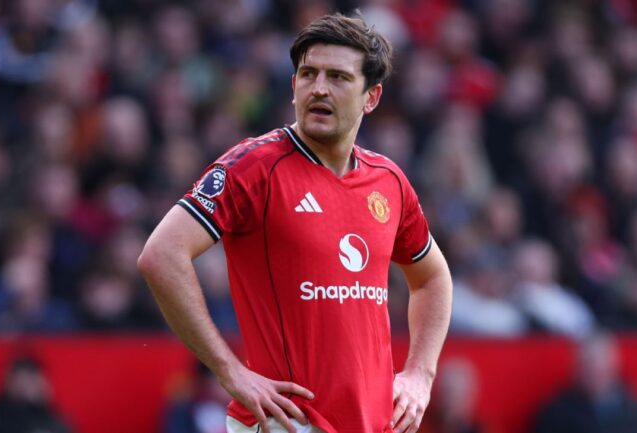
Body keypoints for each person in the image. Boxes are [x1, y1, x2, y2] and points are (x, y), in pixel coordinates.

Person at [138, 12, 452, 433]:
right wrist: (230, 371)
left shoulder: (388, 181)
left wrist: (420, 374)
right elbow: (161, 254)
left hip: (372, 423)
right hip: (287, 423)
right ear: (293, 86)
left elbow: (432, 278)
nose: (319, 88)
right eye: (308, 74)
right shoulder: (254, 167)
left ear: (371, 97)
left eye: (338, 77)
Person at [530, 333, 637, 433]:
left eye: (601, 369)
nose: (595, 376)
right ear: (577, 369)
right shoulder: (557, 412)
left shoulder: (635, 408)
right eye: (589, 368)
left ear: (613, 368)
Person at [0, 355, 72, 433]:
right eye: (21, 379)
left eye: (31, 379)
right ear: (8, 382)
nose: (25, 386)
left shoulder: (53, 419)